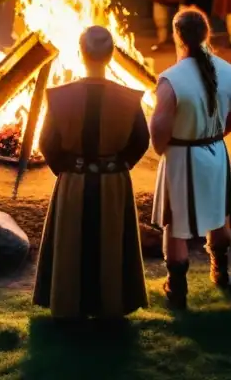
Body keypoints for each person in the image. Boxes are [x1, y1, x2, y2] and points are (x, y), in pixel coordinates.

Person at [33, 26, 150, 320]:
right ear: (111, 55)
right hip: (113, 184)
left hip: (74, 182)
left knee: (71, 243)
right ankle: (111, 304)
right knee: (111, 242)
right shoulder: (129, 98)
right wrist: (117, 165)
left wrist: (70, 170)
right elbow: (140, 141)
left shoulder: (60, 97)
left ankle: (69, 304)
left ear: (80, 54)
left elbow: (46, 142)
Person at [150, 7, 231, 310]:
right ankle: (220, 270)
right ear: (206, 34)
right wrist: (211, 138)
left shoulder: (171, 79)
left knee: (175, 224)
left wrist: (166, 149)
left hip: (182, 156)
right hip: (216, 152)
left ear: (178, 36)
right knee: (219, 215)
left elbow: (158, 128)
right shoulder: (228, 71)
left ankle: (177, 288)